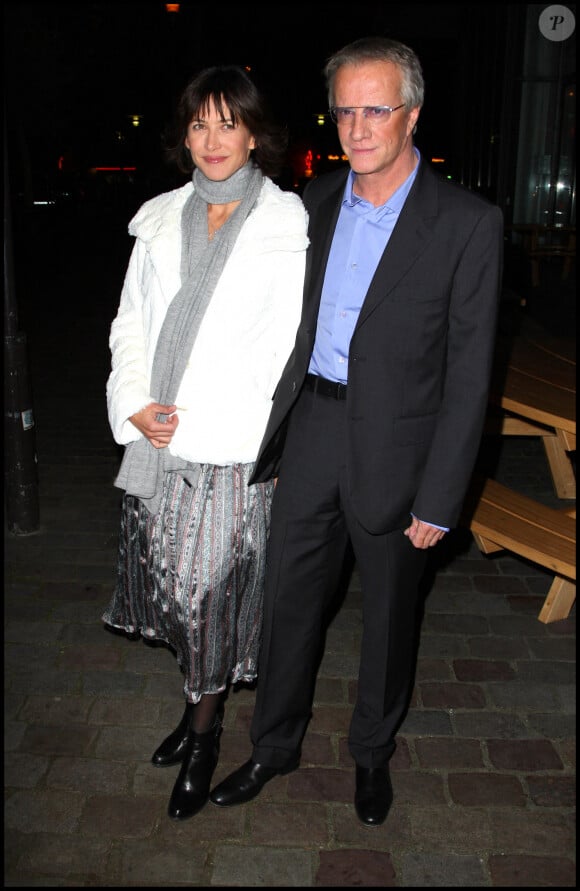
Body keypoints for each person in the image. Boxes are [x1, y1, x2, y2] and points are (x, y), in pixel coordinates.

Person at [209, 37, 503, 827]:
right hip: (313, 426)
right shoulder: (313, 201)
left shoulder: (468, 225)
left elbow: (471, 377)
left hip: (402, 453)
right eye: (345, 108)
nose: (358, 126)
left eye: (376, 108)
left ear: (411, 113)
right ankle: (272, 745)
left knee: (388, 617)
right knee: (289, 602)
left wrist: (442, 497)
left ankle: (371, 754)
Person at [102, 64, 308, 822]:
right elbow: (129, 323)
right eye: (198, 124)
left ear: (255, 133)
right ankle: (198, 704)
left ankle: (203, 732)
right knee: (170, 586)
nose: (212, 139)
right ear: (182, 134)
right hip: (161, 439)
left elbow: (289, 349)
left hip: (233, 447)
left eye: (228, 123)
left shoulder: (289, 224)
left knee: (208, 596)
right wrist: (133, 405)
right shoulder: (157, 217)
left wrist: (276, 448)